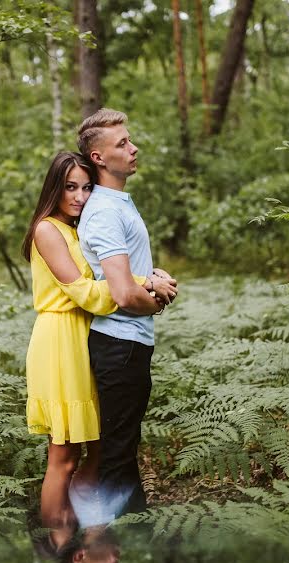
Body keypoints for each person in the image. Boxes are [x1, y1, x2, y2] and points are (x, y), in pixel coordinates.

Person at [21, 151, 176, 553]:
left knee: (98, 445)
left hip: (86, 338)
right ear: (54, 187)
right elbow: (85, 291)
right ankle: (54, 546)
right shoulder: (47, 230)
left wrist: (144, 279)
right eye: (69, 187)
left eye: (86, 187)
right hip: (59, 341)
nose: (79, 195)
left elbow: (109, 274)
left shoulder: (77, 228)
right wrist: (145, 285)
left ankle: (85, 526)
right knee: (63, 453)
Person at [77, 109, 177, 516]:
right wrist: (156, 299)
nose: (133, 148)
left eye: (129, 140)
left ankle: (129, 542)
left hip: (128, 344)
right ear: (98, 157)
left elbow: (127, 274)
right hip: (119, 345)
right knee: (117, 454)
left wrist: (153, 277)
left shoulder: (117, 204)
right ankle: (128, 544)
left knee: (121, 447)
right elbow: (121, 292)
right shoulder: (104, 211)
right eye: (121, 143)